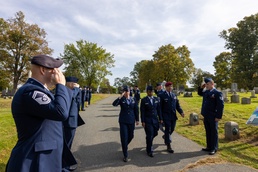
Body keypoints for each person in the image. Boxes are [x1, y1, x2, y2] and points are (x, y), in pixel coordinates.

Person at [6, 55, 76, 172]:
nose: (59, 73)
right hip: (35, 161)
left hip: (46, 159)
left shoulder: (41, 90)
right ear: (43, 70)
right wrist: (60, 85)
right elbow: (60, 112)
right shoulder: (31, 91)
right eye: (55, 69)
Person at [112, 85, 139, 162]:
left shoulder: (133, 99)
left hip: (131, 120)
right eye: (126, 91)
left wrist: (137, 119)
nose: (127, 93)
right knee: (124, 137)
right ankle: (125, 154)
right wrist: (120, 97)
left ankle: (124, 146)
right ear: (123, 92)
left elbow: (136, 110)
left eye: (128, 91)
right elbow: (114, 104)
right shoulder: (121, 99)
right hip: (123, 121)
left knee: (131, 136)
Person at [198, 78, 224, 155]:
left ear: (212, 84)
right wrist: (201, 87)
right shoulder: (206, 92)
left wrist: (218, 116)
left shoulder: (217, 93)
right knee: (208, 131)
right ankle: (209, 146)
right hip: (206, 115)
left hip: (213, 116)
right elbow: (200, 93)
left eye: (207, 84)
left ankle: (214, 148)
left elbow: (220, 105)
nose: (206, 86)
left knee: (213, 132)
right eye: (205, 84)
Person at [159, 81, 184, 153]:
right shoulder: (162, 95)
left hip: (173, 115)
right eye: (169, 86)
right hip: (165, 115)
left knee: (172, 128)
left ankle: (166, 136)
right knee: (168, 129)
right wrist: (160, 117)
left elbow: (177, 105)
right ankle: (168, 145)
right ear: (166, 87)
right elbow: (160, 108)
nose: (170, 88)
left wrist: (181, 112)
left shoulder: (174, 95)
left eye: (171, 86)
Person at [140, 86, 162, 157]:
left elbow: (159, 110)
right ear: (147, 92)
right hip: (147, 120)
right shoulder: (144, 100)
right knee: (150, 135)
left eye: (152, 91)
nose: (151, 93)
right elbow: (142, 111)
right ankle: (149, 150)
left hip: (155, 120)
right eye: (149, 91)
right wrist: (143, 121)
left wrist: (160, 118)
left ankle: (148, 141)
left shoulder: (156, 99)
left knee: (155, 133)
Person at [64, 76, 85, 149]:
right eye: (74, 83)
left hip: (73, 120)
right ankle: (64, 159)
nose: (76, 85)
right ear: (69, 83)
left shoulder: (75, 91)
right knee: (67, 141)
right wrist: (76, 89)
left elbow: (78, 101)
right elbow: (71, 96)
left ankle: (65, 157)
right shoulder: (65, 90)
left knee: (69, 140)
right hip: (68, 121)